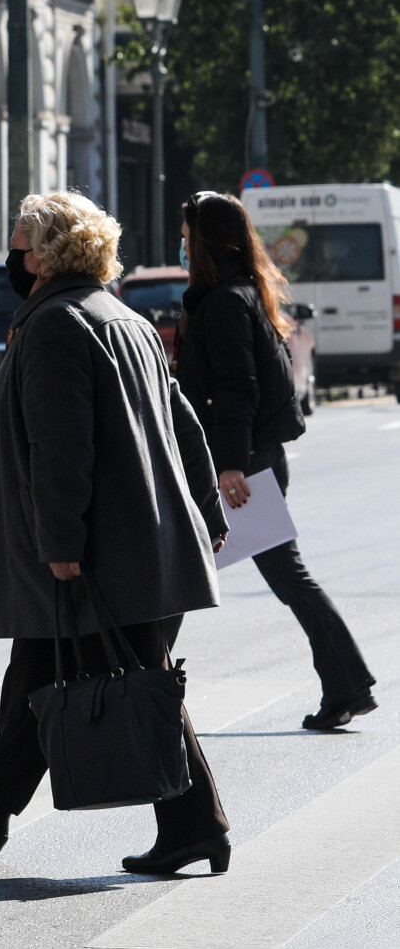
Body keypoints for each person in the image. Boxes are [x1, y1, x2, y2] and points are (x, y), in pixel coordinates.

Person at [0, 191, 234, 876]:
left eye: (20, 243)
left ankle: (196, 825)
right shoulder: (122, 317)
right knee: (41, 674)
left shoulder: (57, 324)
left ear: (47, 254)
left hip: (97, 554)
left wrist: (60, 545)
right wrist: (209, 514)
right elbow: (183, 425)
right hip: (139, 548)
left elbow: (61, 448)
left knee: (130, 681)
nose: (13, 255)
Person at [177, 191, 375, 730]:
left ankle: (348, 684)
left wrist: (231, 465)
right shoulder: (241, 293)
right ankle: (347, 685)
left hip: (244, 463)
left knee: (263, 575)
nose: (183, 242)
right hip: (249, 458)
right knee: (197, 571)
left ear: (206, 240)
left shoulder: (223, 303)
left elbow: (236, 388)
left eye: (188, 233)